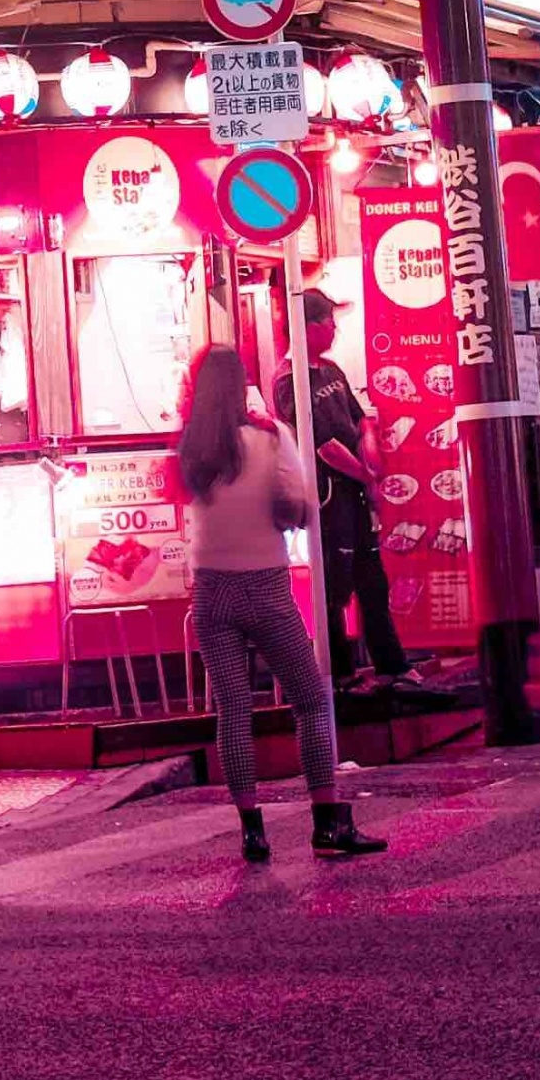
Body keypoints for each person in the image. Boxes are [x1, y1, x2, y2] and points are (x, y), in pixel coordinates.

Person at [178, 345, 386, 861]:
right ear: (242, 384)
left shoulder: (190, 450)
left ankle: (252, 831)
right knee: (311, 701)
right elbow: (298, 511)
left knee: (233, 712)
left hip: (211, 594)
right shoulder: (270, 438)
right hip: (266, 590)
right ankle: (326, 824)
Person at [272, 286, 422, 692]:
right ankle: (340, 675)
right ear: (306, 328)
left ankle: (392, 665)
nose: (334, 329)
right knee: (333, 587)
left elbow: (360, 421)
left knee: (373, 580)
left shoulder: (332, 371)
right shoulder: (289, 381)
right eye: (328, 322)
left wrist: (370, 452)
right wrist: (365, 476)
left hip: (355, 489)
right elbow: (323, 445)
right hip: (329, 494)